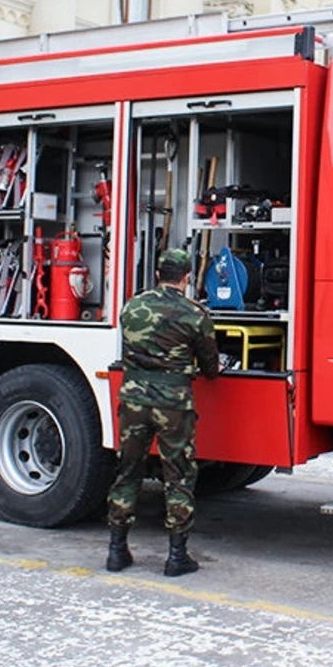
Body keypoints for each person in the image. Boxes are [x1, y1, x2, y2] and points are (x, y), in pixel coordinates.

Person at [106, 247, 220, 576]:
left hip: (133, 401)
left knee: (127, 472)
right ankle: (176, 557)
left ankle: (116, 551)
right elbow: (210, 368)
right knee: (179, 477)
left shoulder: (132, 306)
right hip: (173, 404)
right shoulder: (195, 314)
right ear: (186, 278)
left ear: (158, 274)